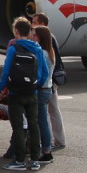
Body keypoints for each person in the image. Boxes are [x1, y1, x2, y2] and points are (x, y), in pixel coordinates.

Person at [0, 16, 49, 171]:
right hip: (32, 92)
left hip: (15, 92)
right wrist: (36, 85)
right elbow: (45, 73)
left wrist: (0, 90)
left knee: (19, 127)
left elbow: (6, 72)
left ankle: (19, 160)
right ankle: (34, 160)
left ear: (16, 31)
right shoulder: (38, 49)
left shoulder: (14, 48)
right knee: (34, 125)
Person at [32, 12, 67, 150]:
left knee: (45, 113)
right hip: (52, 80)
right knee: (54, 111)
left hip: (47, 82)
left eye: (34, 22)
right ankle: (59, 139)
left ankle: (49, 141)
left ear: (42, 24)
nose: (32, 24)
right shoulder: (51, 41)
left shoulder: (45, 44)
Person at [32, 24, 57, 164]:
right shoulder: (50, 52)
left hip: (41, 89)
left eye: (35, 34)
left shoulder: (42, 53)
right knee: (43, 120)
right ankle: (46, 149)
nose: (32, 36)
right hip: (48, 88)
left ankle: (46, 151)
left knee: (41, 122)